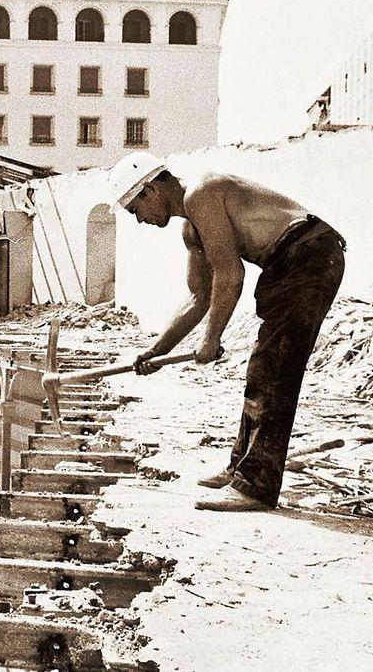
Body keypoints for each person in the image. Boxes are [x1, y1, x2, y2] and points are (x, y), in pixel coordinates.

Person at [108, 152, 347, 512]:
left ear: (151, 190)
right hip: (288, 263)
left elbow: (231, 274)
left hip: (309, 254)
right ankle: (242, 469)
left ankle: (256, 487)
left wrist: (211, 339)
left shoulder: (202, 194)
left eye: (135, 210)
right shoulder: (192, 229)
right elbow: (199, 297)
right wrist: (157, 351)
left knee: (274, 370)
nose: (140, 220)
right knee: (262, 370)